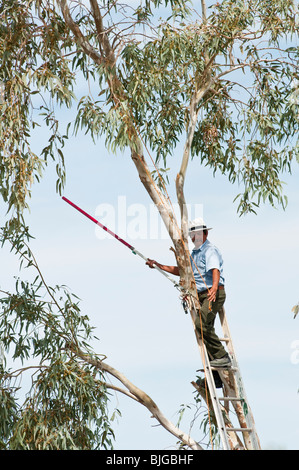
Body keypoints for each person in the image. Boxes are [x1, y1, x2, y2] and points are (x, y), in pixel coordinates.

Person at [146, 217, 231, 369]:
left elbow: (215, 270)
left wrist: (213, 288)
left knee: (201, 324)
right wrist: (159, 266)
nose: (195, 238)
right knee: (205, 330)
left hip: (213, 293)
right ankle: (217, 375)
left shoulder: (209, 250)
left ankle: (223, 357)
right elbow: (183, 272)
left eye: (198, 234)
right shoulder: (194, 254)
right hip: (201, 295)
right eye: (193, 235)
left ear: (205, 234)